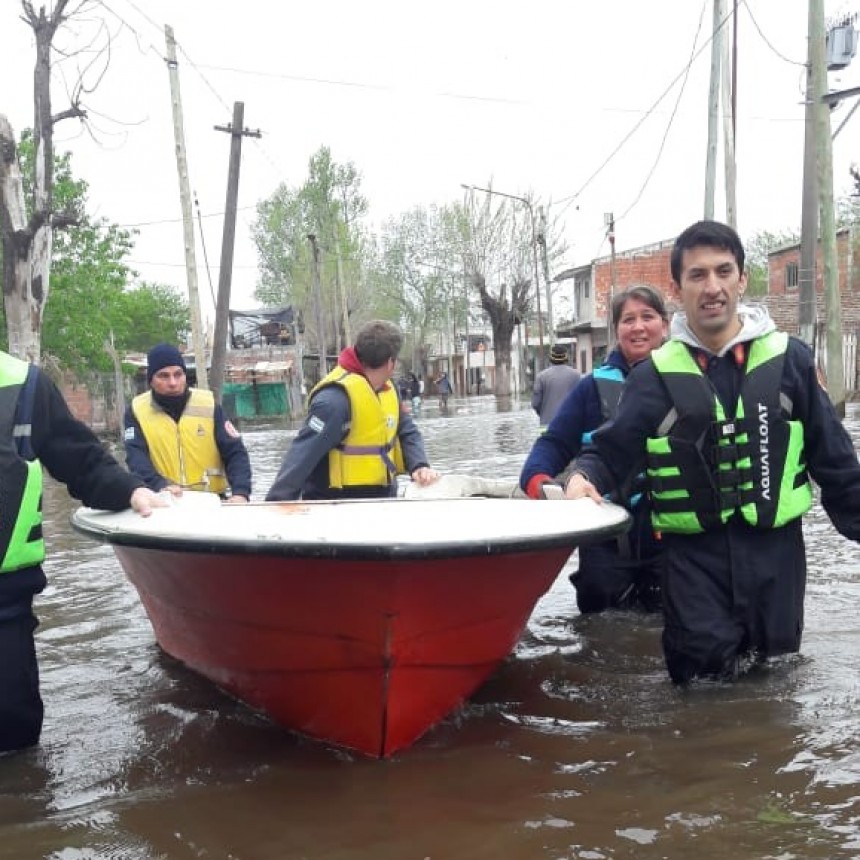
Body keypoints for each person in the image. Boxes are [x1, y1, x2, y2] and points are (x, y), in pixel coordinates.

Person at [564, 220, 860, 685]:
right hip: (692, 569)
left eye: (724, 272)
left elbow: (838, 466)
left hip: (776, 564)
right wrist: (582, 478)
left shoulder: (792, 361)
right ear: (678, 288)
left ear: (742, 280)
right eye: (698, 275)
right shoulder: (653, 377)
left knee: (778, 689)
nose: (713, 287)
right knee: (702, 694)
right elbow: (609, 452)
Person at [0, 349, 167, 753]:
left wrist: (131, 489)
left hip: (5, 610)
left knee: (14, 744)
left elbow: (79, 459)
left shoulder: (23, 382)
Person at [520, 285, 669, 613]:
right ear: (616, 330)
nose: (639, 326)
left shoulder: (687, 383)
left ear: (666, 325)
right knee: (601, 630)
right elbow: (554, 444)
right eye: (628, 319)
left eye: (648, 316)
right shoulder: (590, 388)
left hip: (671, 541)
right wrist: (541, 483)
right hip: (606, 542)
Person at [266, 320, 440, 500]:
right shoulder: (334, 400)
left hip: (381, 502)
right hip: (336, 507)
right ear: (391, 363)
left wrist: (419, 465)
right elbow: (301, 456)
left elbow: (406, 430)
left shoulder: (389, 389)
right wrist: (276, 505)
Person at [124, 343, 252, 503]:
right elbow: (136, 457)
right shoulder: (136, 411)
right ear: (151, 380)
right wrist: (159, 485)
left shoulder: (209, 405)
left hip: (212, 500)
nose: (173, 382)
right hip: (163, 500)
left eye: (178, 374)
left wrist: (240, 493)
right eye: (163, 376)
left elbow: (235, 452)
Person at [531, 345, 582, 427]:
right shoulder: (576, 376)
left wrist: (544, 413)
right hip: (571, 425)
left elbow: (535, 403)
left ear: (551, 358)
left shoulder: (541, 377)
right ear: (566, 358)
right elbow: (582, 401)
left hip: (547, 425)